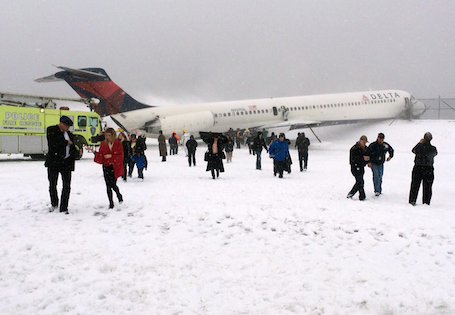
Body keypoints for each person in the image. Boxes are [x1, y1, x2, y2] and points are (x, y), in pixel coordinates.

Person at [45, 116, 79, 214]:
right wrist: (66, 142)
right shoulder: (52, 130)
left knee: (66, 185)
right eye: (67, 126)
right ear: (61, 124)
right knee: (53, 184)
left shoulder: (69, 134)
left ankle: (64, 206)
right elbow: (53, 143)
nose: (67, 129)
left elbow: (73, 145)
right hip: (54, 162)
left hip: (66, 162)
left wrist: (76, 151)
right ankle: (54, 203)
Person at [87, 128, 124, 209]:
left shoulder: (118, 144)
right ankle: (111, 202)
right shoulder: (103, 144)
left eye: (109, 135)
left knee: (113, 184)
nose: (107, 137)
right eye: (106, 135)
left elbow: (121, 156)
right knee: (108, 185)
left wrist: (111, 156)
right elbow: (100, 155)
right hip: (106, 166)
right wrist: (93, 151)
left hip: (115, 166)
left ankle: (118, 194)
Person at [409, 132, 438, 206]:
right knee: (427, 186)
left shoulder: (419, 147)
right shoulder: (433, 148)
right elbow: (435, 154)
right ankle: (426, 202)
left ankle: (412, 200)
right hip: (429, 168)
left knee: (415, 185)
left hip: (418, 167)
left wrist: (420, 143)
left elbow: (413, 150)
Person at [347, 135, 370, 200]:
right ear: (360, 141)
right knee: (360, 181)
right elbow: (353, 160)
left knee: (360, 181)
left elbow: (368, 155)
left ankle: (361, 196)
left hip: (361, 167)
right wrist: (362, 159)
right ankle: (357, 194)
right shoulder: (354, 149)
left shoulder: (365, 148)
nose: (364, 144)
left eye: (365, 142)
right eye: (363, 142)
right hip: (355, 167)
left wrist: (368, 161)